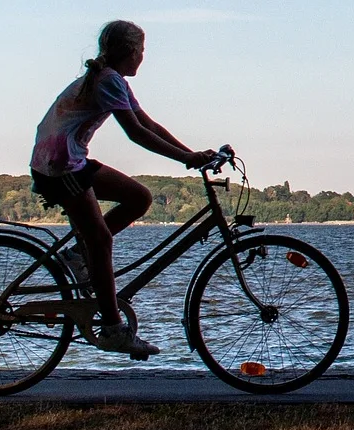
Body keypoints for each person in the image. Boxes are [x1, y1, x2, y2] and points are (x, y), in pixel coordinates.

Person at [30, 20, 216, 357]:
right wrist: (186, 159)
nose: (143, 57)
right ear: (129, 51)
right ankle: (114, 329)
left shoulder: (113, 79)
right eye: (142, 50)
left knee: (139, 197)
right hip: (59, 165)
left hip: (68, 159)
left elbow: (148, 122)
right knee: (100, 240)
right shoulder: (108, 80)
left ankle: (76, 256)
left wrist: (191, 155)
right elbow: (137, 133)